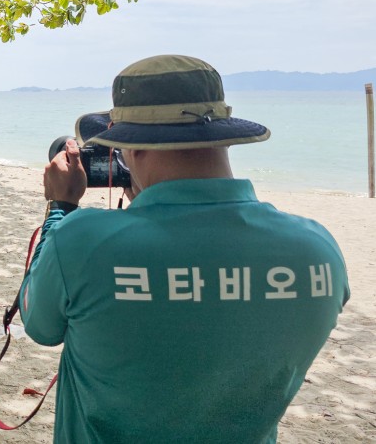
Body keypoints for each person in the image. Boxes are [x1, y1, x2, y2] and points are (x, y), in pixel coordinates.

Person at [18, 55, 349, 443]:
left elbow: (40, 325)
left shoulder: (82, 241)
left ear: (132, 147)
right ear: (223, 137)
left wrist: (61, 209)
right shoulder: (317, 249)